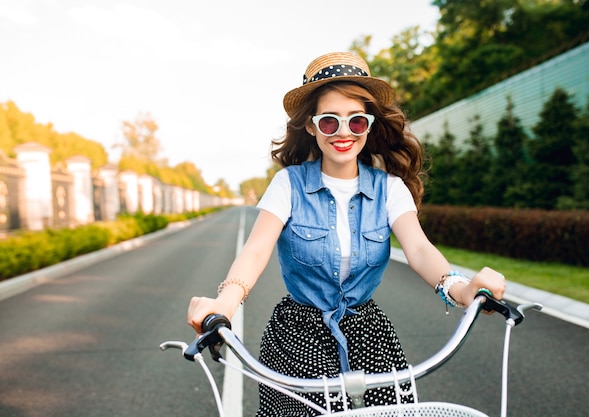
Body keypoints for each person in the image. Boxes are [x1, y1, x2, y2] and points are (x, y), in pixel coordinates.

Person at [187, 51, 506, 416]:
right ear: (311, 126)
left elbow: (418, 249)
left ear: (368, 126)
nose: (343, 133)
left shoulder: (390, 189)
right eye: (329, 122)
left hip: (369, 336)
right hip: (296, 336)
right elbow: (256, 252)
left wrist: (460, 289)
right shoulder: (288, 185)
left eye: (356, 122)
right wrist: (223, 307)